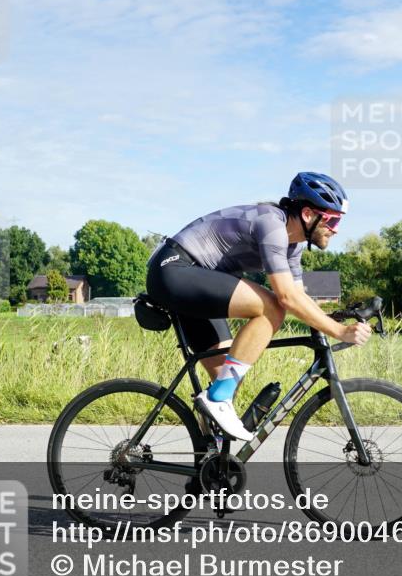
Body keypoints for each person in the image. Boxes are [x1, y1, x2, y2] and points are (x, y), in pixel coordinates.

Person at [145, 172, 372, 441]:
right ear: (309, 214)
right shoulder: (272, 224)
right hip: (175, 270)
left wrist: (332, 318)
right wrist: (339, 331)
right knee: (273, 308)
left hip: (194, 281)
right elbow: (286, 298)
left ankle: (209, 459)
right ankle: (217, 401)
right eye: (332, 219)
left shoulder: (293, 246)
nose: (336, 229)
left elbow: (299, 296)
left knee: (226, 374)